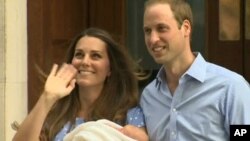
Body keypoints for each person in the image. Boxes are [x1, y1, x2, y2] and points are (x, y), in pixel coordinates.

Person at [140, 0, 250, 141]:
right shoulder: (149, 96)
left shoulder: (231, 88)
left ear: (186, 28)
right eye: (147, 31)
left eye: (161, 28)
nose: (153, 39)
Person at [12, 27, 148, 141]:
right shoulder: (54, 113)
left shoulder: (129, 114)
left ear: (110, 69)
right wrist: (47, 97)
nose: (85, 62)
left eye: (95, 56)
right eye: (79, 55)